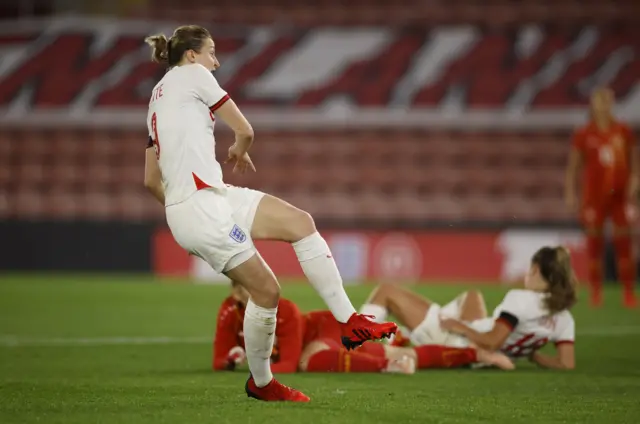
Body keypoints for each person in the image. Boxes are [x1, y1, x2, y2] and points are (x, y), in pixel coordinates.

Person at [142, 25, 397, 402]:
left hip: (208, 198)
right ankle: (262, 384)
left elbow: (150, 179)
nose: (217, 60)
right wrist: (239, 150)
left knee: (301, 223)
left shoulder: (156, 97)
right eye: (211, 51)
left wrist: (181, 212)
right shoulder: (194, 75)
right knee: (267, 291)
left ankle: (349, 321)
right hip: (200, 205)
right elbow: (245, 129)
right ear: (192, 54)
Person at [213, 282, 514, 374]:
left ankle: (386, 365)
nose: (245, 297)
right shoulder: (229, 310)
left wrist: (253, 366)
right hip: (335, 338)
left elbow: (290, 363)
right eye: (239, 290)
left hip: (327, 329)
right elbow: (218, 358)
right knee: (400, 351)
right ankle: (477, 355)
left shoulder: (286, 310)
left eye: (250, 288)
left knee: (310, 360)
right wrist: (230, 359)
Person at [359, 246, 577, 370]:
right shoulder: (565, 319)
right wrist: (533, 356)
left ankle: (355, 341)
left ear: (536, 269)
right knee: (472, 295)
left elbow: (493, 340)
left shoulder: (521, 299)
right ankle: (404, 334)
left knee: (386, 291)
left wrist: (459, 327)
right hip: (479, 346)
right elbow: (566, 364)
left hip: (463, 343)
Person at [565, 87, 638, 308]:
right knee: (594, 244)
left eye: (607, 100)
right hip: (593, 197)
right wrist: (570, 193)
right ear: (593, 104)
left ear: (612, 103)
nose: (604, 105)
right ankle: (596, 293)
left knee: (624, 244)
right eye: (599, 101)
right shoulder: (584, 133)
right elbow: (574, 167)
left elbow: (634, 162)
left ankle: (628, 293)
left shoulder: (623, 131)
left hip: (620, 196)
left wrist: (635, 182)